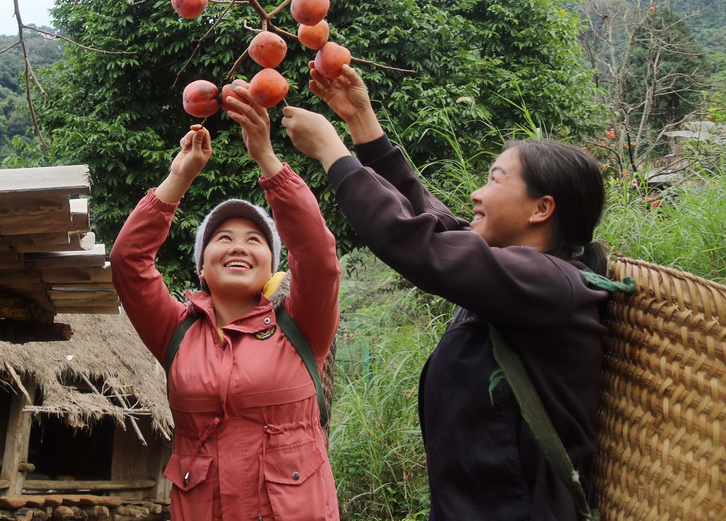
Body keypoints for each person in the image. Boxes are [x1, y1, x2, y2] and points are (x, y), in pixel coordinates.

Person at [281, 62, 611, 521]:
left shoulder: (548, 282)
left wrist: (333, 153)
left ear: (542, 208)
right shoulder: (519, 276)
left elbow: (422, 244)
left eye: (495, 179)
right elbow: (436, 223)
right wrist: (361, 122)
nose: (477, 193)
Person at [110, 87, 342, 521]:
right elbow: (128, 262)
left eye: (255, 240)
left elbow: (318, 255)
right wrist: (179, 177)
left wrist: (267, 159)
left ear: (273, 266)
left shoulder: (303, 326)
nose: (239, 247)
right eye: (223, 239)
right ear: (202, 267)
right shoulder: (175, 332)